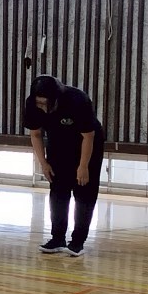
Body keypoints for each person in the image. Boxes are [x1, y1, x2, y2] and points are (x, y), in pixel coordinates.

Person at [24, 75, 105, 257]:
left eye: (45, 104)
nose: (42, 107)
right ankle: (57, 238)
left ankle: (78, 241)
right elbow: (35, 134)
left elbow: (89, 136)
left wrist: (83, 166)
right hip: (58, 143)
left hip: (87, 145)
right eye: (39, 103)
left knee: (84, 192)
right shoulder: (32, 104)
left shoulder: (77, 100)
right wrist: (43, 163)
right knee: (58, 190)